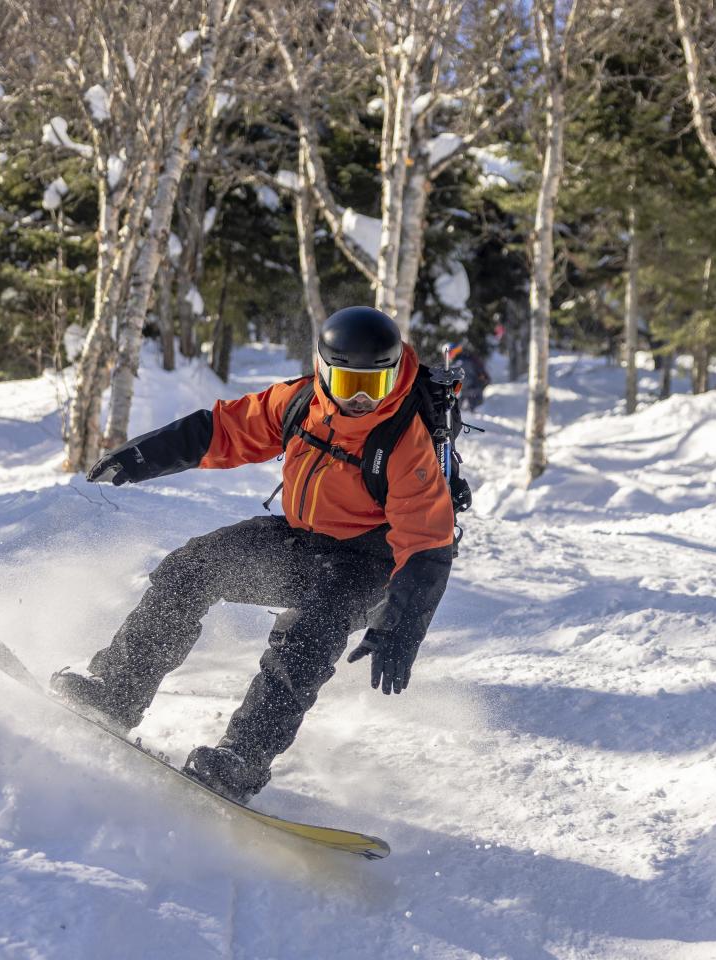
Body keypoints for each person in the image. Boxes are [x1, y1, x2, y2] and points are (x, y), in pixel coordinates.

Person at [54, 306, 455, 804]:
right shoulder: (300, 401)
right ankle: (116, 691)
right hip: (302, 542)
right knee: (192, 568)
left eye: (372, 386)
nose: (357, 399)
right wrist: (142, 456)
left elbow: (429, 543)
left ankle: (240, 760)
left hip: (367, 564)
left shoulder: (404, 440)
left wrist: (402, 625)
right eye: (348, 381)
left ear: (392, 376)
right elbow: (223, 430)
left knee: (306, 636)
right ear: (324, 369)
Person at [444, 342, 490, 412]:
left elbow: (464, 383)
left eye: (449, 353)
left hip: (471, 398)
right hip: (473, 395)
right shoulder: (466, 359)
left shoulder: (461, 363)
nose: (448, 356)